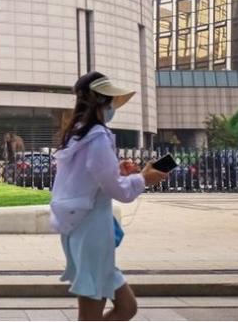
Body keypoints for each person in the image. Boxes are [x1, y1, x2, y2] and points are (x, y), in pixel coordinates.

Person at [50, 71, 168, 321]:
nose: (114, 107)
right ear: (101, 102)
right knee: (99, 314)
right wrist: (144, 178)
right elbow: (118, 192)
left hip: (81, 229)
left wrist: (117, 171)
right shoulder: (97, 137)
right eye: (111, 101)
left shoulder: (77, 135)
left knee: (127, 307)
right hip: (93, 231)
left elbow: (87, 180)